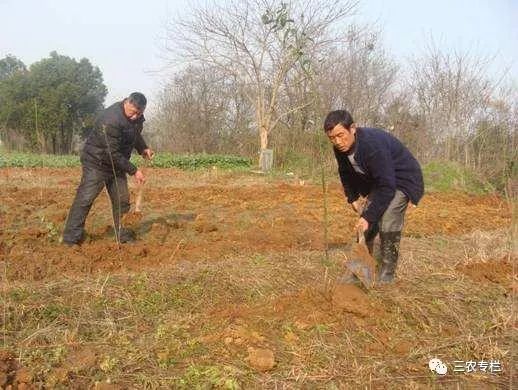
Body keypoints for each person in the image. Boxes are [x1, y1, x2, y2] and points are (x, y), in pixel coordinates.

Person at [323, 109, 424, 283]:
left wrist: (368, 216)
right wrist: (352, 196)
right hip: (381, 182)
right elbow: (345, 172)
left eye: (341, 135)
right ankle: (360, 270)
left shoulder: (372, 145)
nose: (337, 142)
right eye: (332, 138)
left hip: (402, 180)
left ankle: (387, 273)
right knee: (365, 225)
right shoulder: (339, 147)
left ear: (352, 128)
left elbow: (387, 186)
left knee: (388, 217)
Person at [62, 92, 154, 245]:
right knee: (85, 199)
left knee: (122, 201)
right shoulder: (110, 119)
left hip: (116, 166)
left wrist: (143, 148)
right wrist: (134, 171)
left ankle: (123, 236)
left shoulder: (136, 118)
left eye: (140, 114)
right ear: (127, 103)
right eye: (133, 112)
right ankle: (71, 238)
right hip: (97, 162)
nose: (135, 117)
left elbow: (135, 134)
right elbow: (113, 153)